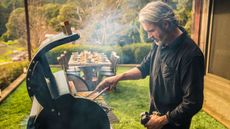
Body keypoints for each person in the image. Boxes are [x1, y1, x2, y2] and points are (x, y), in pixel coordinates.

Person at [96, 1, 205, 129]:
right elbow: (144, 68)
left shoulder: (191, 56)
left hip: (172, 124)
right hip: (155, 118)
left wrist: (163, 120)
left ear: (166, 24)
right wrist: (118, 77)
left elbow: (193, 102)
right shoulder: (160, 42)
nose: (148, 36)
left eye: (151, 30)